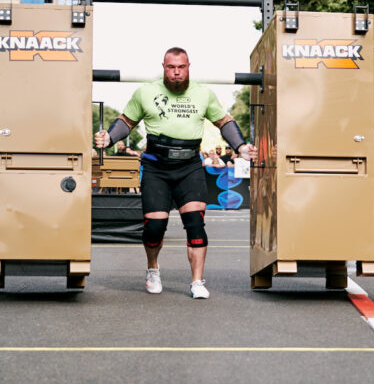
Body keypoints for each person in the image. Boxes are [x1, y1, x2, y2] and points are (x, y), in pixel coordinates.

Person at [94, 47, 257, 298]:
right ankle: (153, 269)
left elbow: (224, 122)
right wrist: (109, 137)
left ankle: (197, 282)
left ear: (189, 66)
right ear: (164, 67)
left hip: (189, 168)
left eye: (181, 67)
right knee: (154, 228)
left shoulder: (203, 94)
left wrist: (241, 146)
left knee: (195, 224)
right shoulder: (146, 92)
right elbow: (126, 122)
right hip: (156, 168)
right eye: (171, 67)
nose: (176, 73)